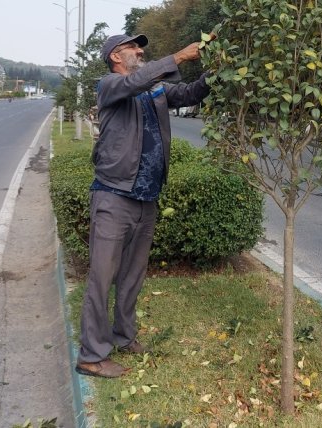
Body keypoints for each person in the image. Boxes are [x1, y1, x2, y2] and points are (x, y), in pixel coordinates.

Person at [75, 33, 211, 378]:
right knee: (102, 278)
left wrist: (221, 72)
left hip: (146, 198)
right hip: (113, 196)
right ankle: (91, 355)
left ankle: (123, 336)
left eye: (141, 47)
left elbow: (190, 93)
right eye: (133, 48)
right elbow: (136, 81)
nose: (140, 51)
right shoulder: (109, 85)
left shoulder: (154, 90)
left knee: (132, 276)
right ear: (116, 57)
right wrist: (178, 56)